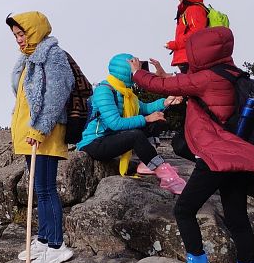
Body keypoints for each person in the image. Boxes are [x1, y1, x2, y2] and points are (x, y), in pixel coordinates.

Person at [131, 27, 254, 263]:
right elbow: (187, 83)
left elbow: (161, 86)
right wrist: (166, 75)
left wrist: (138, 72)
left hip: (216, 156)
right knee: (236, 217)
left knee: (184, 210)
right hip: (237, 155)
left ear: (200, 51)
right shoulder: (232, 73)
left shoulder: (205, 78)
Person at [7, 11, 76, 263]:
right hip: (32, 135)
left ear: (34, 30)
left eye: (21, 33)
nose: (18, 39)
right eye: (15, 35)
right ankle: (45, 239)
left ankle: (57, 245)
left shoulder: (52, 55)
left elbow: (56, 95)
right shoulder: (29, 59)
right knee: (39, 189)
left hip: (44, 134)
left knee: (46, 189)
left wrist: (40, 129)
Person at [75, 53, 187, 194]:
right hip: (94, 143)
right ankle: (166, 175)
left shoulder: (126, 93)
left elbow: (144, 108)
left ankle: (146, 163)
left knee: (158, 122)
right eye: (134, 69)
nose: (137, 74)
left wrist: (165, 102)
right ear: (125, 71)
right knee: (136, 135)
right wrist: (146, 119)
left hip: (112, 137)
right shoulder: (104, 90)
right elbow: (115, 123)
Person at [165, 0, 209, 73]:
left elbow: (196, 34)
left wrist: (176, 44)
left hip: (189, 57)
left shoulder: (194, 10)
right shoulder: (190, 9)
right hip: (188, 56)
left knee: (189, 80)